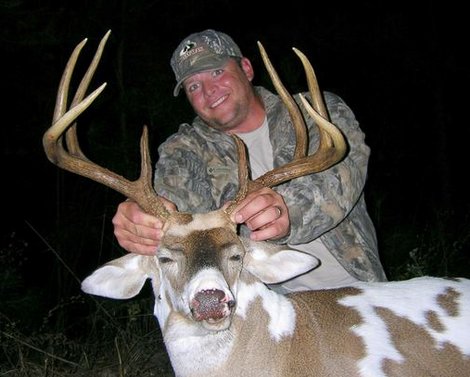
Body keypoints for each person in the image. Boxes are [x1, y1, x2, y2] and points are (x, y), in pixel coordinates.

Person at [112, 29, 387, 292]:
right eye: (194, 86)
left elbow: (342, 174)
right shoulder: (185, 148)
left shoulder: (317, 111)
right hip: (265, 311)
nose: (208, 91)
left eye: (217, 72)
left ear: (246, 68)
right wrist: (143, 216)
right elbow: (173, 198)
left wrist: (288, 210)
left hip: (357, 289)